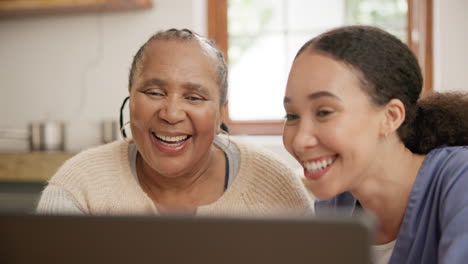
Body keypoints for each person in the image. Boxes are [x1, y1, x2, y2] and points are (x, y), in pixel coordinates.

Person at [37, 28, 313, 216]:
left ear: (220, 114)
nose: (171, 114)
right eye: (154, 93)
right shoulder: (79, 187)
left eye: (193, 97)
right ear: (130, 99)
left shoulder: (276, 186)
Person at [282, 25, 468, 264]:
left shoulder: (460, 180)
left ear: (390, 117)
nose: (299, 140)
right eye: (292, 116)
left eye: (324, 112)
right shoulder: (336, 203)